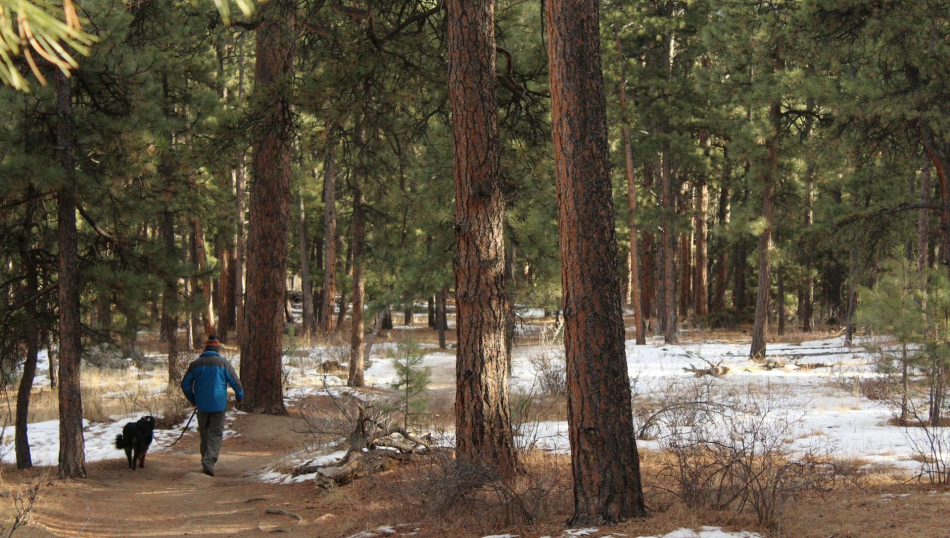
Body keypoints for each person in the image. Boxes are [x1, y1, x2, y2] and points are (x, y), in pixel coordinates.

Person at [180, 335, 243, 476]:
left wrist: (194, 399)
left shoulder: (195, 364)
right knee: (215, 434)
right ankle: (208, 462)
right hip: (219, 405)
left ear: (206, 349)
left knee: (204, 434)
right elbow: (236, 384)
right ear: (217, 349)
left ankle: (206, 460)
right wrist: (240, 397)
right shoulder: (223, 363)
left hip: (201, 406)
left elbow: (185, 385)